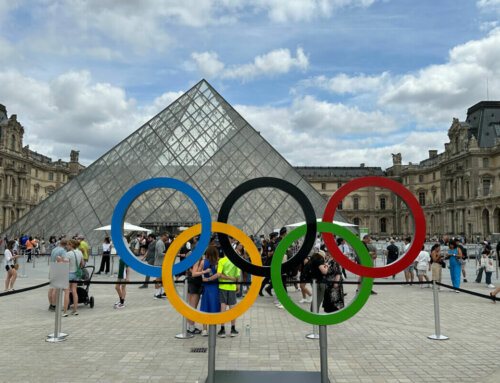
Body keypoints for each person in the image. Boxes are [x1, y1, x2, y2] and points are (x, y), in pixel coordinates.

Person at [216, 251, 241, 338]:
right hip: (232, 287)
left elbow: (219, 274)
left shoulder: (221, 261)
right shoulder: (235, 261)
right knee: (232, 308)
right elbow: (238, 275)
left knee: (223, 307)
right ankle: (233, 329)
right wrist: (237, 284)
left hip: (222, 286)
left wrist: (226, 277)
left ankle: (222, 329)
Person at [200, 246, 220, 336]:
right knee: (214, 306)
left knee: (205, 306)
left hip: (206, 287)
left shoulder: (203, 262)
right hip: (215, 287)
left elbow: (198, 273)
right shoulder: (218, 263)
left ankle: (204, 329)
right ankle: (213, 327)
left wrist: (204, 277)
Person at [61, 239, 84, 316]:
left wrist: (60, 260)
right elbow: (82, 264)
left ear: (71, 245)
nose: (67, 246)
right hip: (76, 274)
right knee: (74, 291)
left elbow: (65, 264)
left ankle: (65, 311)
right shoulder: (80, 252)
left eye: (68, 245)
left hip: (69, 273)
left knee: (67, 292)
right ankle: (75, 310)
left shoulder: (68, 254)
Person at [186, 255, 205, 334]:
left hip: (190, 282)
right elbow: (194, 273)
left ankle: (189, 326)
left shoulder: (190, 259)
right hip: (195, 283)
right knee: (193, 307)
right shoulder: (197, 261)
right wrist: (204, 271)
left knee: (190, 306)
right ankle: (191, 327)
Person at [48, 239, 68, 310]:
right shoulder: (63, 251)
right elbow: (63, 260)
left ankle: (50, 304)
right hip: (59, 268)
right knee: (55, 288)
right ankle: (54, 305)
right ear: (66, 245)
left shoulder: (54, 249)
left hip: (52, 267)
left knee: (51, 288)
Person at [154, 233, 168, 299]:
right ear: (163, 236)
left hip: (161, 263)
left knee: (162, 278)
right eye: (166, 236)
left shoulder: (161, 242)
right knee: (158, 279)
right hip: (159, 263)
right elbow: (160, 253)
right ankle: (156, 294)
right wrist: (168, 254)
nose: (167, 238)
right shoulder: (160, 243)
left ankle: (162, 292)